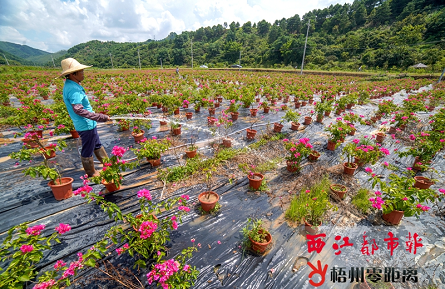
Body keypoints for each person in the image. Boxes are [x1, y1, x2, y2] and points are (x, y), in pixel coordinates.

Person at [58, 58, 110, 177]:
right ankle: (91, 172)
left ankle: (107, 164)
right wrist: (99, 117)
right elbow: (78, 109)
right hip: (86, 125)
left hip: (89, 123)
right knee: (88, 149)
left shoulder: (73, 85)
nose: (83, 73)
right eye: (81, 71)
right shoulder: (73, 89)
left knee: (96, 144)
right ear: (73, 74)